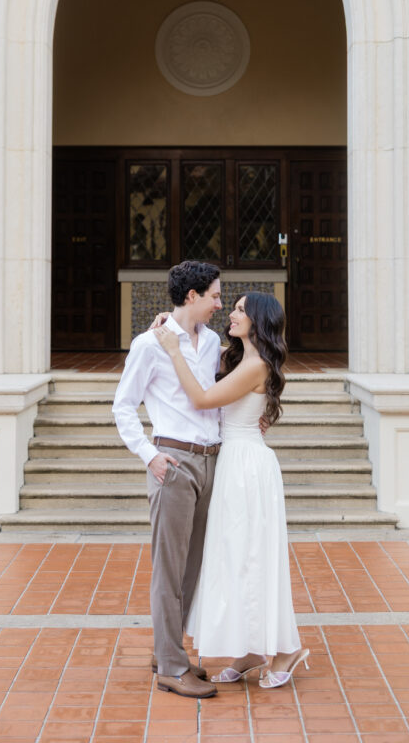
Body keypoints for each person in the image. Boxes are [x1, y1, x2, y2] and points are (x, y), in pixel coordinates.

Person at [154, 291, 309, 689]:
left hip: (246, 468)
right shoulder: (240, 358)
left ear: (258, 320)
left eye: (241, 310)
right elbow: (204, 349)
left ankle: (287, 649)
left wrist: (173, 350)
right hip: (233, 463)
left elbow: (203, 399)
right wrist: (176, 322)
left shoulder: (255, 365)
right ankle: (252, 651)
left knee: (252, 557)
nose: (232, 314)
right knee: (236, 557)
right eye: (233, 306)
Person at [112, 260, 223, 699]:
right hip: (173, 461)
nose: (219, 304)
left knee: (191, 567)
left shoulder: (211, 341)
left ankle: (168, 651)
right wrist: (149, 455)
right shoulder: (148, 344)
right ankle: (172, 669)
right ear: (192, 296)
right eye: (215, 295)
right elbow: (123, 405)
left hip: (210, 460)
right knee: (169, 568)